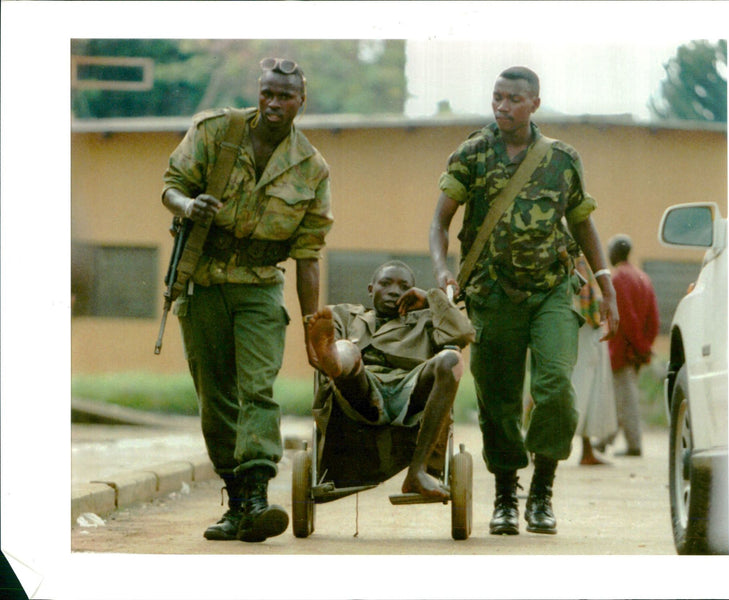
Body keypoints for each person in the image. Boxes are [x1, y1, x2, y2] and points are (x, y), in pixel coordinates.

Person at [429, 66, 619, 536]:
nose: (503, 106)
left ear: (535, 103)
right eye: (497, 97)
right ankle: (505, 494)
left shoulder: (561, 159)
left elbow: (582, 222)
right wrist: (442, 270)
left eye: (514, 99)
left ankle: (542, 492)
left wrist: (604, 281)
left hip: (552, 289)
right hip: (491, 294)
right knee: (498, 401)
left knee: (555, 387)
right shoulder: (472, 153)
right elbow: (440, 222)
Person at [161, 57, 333, 542]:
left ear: (302, 101)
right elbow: (171, 187)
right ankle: (237, 505)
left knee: (256, 389)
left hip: (259, 287)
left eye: (284, 96)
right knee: (214, 398)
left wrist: (311, 326)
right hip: (204, 282)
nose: (273, 103)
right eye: (267, 93)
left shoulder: (312, 168)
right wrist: (189, 205)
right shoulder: (216, 131)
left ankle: (257, 493)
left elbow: (309, 253)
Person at [305, 260, 474, 499]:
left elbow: (464, 333)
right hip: (360, 391)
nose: (394, 290)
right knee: (348, 350)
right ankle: (333, 357)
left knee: (452, 360)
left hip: (411, 393)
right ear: (371, 289)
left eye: (404, 286)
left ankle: (417, 472)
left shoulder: (427, 320)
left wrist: (431, 299)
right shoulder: (344, 315)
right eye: (385, 283)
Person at [600, 234, 660, 457]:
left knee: (626, 399)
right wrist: (645, 346)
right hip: (635, 350)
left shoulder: (618, 279)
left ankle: (633, 445)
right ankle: (606, 440)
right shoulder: (643, 278)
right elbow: (653, 319)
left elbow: (626, 318)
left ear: (616, 253)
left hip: (623, 350)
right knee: (622, 397)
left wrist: (639, 347)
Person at [571, 257, 617, 465]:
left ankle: (586, 451)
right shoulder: (579, 262)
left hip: (572, 334)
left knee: (582, 393)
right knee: (584, 392)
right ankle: (585, 451)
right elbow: (588, 305)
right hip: (583, 336)